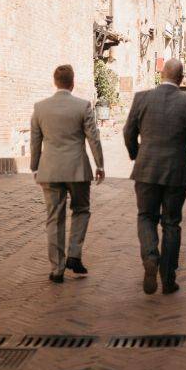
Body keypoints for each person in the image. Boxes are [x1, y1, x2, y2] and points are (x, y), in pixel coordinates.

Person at [123, 59, 186, 295]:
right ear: (181, 79)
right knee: (171, 223)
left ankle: (150, 256)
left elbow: (128, 132)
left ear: (161, 74)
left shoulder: (142, 98)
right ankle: (168, 279)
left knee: (146, 216)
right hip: (177, 173)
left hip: (146, 169)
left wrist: (137, 155)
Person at [30, 64, 105, 284]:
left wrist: (35, 166)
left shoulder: (40, 107)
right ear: (73, 83)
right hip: (77, 169)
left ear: (55, 82)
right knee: (81, 210)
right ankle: (74, 254)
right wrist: (99, 165)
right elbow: (94, 138)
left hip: (50, 170)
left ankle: (57, 269)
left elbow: (35, 141)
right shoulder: (82, 106)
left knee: (54, 217)